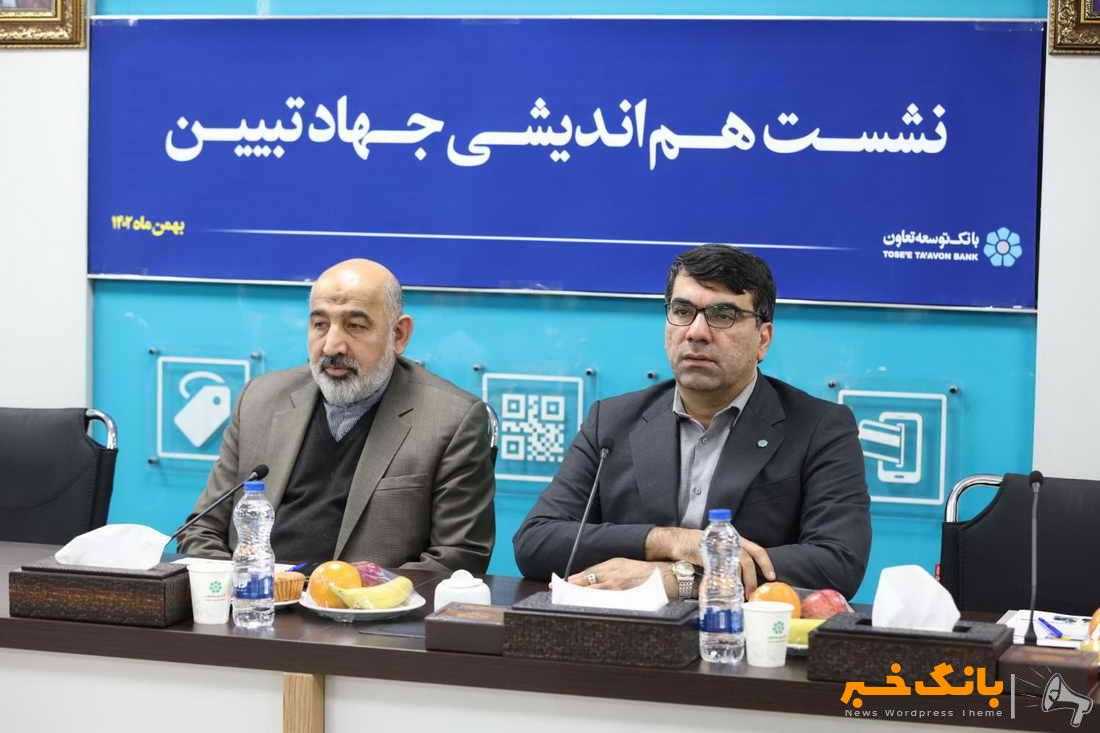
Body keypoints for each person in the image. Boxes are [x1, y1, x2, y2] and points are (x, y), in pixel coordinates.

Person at [513, 244, 870, 599]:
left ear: (763, 339)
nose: (697, 332)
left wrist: (680, 578)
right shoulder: (611, 421)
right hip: (624, 629)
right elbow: (536, 542)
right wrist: (667, 541)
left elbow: (838, 562)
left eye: (723, 315)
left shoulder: (819, 427)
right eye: (682, 311)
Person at [177, 259, 495, 573]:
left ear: (398, 334)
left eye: (355, 326)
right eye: (320, 324)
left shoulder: (450, 421)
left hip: (369, 604)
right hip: (255, 596)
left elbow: (458, 557)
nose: (332, 346)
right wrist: (239, 587)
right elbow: (201, 531)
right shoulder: (260, 400)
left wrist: (343, 594)